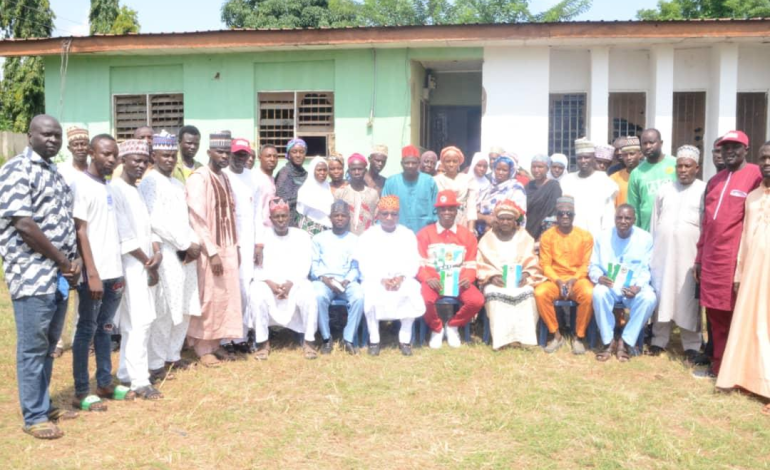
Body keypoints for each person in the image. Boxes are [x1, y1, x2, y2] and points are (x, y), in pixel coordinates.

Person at [0, 115, 81, 439]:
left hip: (59, 277)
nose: (52, 140)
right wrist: (63, 259)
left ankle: (44, 404)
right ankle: (34, 416)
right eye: (46, 134)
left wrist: (71, 264)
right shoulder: (16, 170)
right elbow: (24, 224)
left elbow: (63, 223)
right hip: (32, 275)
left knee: (50, 344)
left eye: (57, 135)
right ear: (30, 135)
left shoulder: (55, 173)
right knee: (33, 346)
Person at [694, 130, 763, 378]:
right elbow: (707, 224)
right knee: (715, 318)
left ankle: (741, 371)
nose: (729, 151)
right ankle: (719, 366)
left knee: (740, 317)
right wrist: (699, 259)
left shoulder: (756, 176)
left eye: (735, 147)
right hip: (712, 261)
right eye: (725, 147)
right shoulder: (715, 181)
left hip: (736, 261)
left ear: (746, 149)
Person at [138, 133, 201, 380]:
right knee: (165, 308)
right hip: (165, 251)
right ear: (154, 156)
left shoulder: (176, 183)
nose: (170, 160)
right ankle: (155, 363)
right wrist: (185, 243)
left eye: (172, 155)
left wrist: (194, 242)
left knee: (185, 306)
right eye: (164, 155)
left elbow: (184, 219)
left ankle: (173, 355)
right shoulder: (149, 182)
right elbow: (156, 220)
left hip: (185, 253)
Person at [70, 134, 124, 412]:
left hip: (114, 271)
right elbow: (81, 231)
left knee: (105, 328)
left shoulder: (108, 185)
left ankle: (104, 382)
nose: (111, 159)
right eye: (105, 154)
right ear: (92, 152)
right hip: (95, 274)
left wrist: (119, 270)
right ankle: (81, 391)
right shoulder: (81, 185)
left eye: (114, 154)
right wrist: (91, 273)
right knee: (86, 330)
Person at [716, 142, 770, 414]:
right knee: (752, 325)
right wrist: (738, 273)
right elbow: (745, 241)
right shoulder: (753, 197)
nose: (767, 162)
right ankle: (751, 379)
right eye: (764, 158)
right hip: (752, 274)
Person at [185, 131, 243, 367]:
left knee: (225, 296)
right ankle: (202, 347)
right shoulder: (199, 177)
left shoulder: (225, 177)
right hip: (211, 249)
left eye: (227, 152)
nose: (225, 156)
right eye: (220, 152)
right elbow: (196, 218)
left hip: (228, 246)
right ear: (209, 152)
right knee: (208, 296)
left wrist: (235, 246)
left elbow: (231, 214)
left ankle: (216, 343)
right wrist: (212, 251)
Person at [111, 139, 163, 400]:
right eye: (136, 161)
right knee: (139, 322)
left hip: (145, 264)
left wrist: (157, 253)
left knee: (139, 322)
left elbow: (148, 227)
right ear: (123, 161)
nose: (141, 166)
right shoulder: (116, 189)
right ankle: (139, 381)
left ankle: (125, 373)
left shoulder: (137, 189)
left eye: (145, 162)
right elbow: (125, 235)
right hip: (131, 266)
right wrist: (147, 261)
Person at [649, 146, 706, 360]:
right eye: (679, 166)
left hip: (690, 257)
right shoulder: (665, 190)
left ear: (697, 168)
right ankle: (658, 340)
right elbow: (655, 223)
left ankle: (691, 344)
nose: (682, 170)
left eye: (687, 166)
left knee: (687, 298)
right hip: (663, 254)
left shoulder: (704, 190)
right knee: (661, 294)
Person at [354, 196, 425, 356]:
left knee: (412, 289)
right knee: (370, 292)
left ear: (398, 216)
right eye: (385, 214)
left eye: (393, 214)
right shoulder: (368, 235)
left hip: (402, 279)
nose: (389, 218)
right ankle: (374, 339)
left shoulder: (407, 234)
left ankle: (405, 339)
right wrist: (382, 279)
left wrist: (401, 277)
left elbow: (414, 261)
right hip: (375, 279)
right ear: (378, 215)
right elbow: (363, 265)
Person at [250, 198, 319, 360]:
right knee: (256, 293)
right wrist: (270, 283)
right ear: (271, 218)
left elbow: (305, 264)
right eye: (277, 217)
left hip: (295, 282)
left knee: (309, 294)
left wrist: (290, 284)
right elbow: (257, 266)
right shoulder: (262, 237)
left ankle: (309, 341)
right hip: (268, 283)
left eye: (284, 216)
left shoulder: (302, 236)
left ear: (290, 217)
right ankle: (262, 343)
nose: (281, 220)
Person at [417, 190, 484, 349]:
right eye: (443, 209)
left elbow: (471, 263)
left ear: (456, 211)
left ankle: (453, 326)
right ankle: (437, 328)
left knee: (477, 301)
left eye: (451, 209)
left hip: (458, 282)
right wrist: (428, 279)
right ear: (438, 211)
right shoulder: (425, 233)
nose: (447, 212)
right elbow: (419, 263)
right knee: (424, 300)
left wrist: (468, 278)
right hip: (434, 282)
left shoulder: (467, 235)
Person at [590, 205, 657, 362]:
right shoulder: (603, 237)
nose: (623, 221)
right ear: (614, 219)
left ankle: (625, 341)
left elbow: (647, 269)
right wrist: (599, 277)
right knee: (598, 293)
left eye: (627, 218)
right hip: (610, 286)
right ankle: (608, 341)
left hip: (632, 288)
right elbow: (593, 265)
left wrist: (637, 286)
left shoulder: (645, 238)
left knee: (649, 298)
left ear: (634, 220)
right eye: (619, 217)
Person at [477, 199, 544, 350]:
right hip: (496, 281)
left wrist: (526, 275)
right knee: (494, 293)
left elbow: (532, 259)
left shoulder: (524, 236)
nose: (505, 222)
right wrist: (492, 277)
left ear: (515, 221)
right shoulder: (488, 237)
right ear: (497, 220)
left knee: (528, 293)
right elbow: (481, 263)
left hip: (520, 281)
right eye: (502, 218)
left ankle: (523, 338)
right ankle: (502, 339)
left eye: (509, 219)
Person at [534, 196, 594, 354]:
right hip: (555, 279)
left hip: (578, 279)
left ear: (574, 215)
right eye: (561, 214)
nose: (565, 216)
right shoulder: (547, 236)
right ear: (556, 216)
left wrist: (574, 279)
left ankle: (579, 337)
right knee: (540, 293)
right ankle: (556, 335)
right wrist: (559, 281)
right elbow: (545, 264)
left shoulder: (585, 236)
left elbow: (586, 264)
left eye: (569, 213)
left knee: (589, 294)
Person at [222, 138, 262, 353]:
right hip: (226, 239)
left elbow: (257, 213)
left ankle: (242, 336)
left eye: (243, 155)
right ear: (229, 154)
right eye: (236, 154)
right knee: (227, 288)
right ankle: (224, 339)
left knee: (245, 289)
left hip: (247, 241)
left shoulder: (253, 179)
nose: (239, 159)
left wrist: (259, 244)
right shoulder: (222, 176)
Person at [311, 200, 364, 355]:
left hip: (346, 281)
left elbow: (355, 267)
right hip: (324, 281)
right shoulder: (318, 238)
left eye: (343, 216)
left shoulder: (355, 240)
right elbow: (314, 266)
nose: (340, 218)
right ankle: (327, 339)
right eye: (336, 215)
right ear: (330, 218)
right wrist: (325, 279)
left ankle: (348, 339)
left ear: (348, 218)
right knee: (318, 296)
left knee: (359, 297)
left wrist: (347, 280)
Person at [560, 138, 618, 238]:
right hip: (571, 237)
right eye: (579, 158)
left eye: (587, 157)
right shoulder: (567, 181)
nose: (583, 161)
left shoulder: (605, 182)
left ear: (594, 158)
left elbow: (608, 218)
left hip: (596, 237)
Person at [381, 145, 439, 234]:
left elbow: (436, 211)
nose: (410, 166)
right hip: (397, 234)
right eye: (407, 163)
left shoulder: (429, 182)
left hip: (424, 234)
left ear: (419, 163)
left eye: (414, 163)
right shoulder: (391, 182)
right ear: (401, 163)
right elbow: (384, 209)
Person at [627, 128, 677, 231]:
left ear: (661, 143)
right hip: (647, 232)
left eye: (651, 142)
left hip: (673, 230)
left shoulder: (676, 164)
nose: (648, 146)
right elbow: (634, 208)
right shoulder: (636, 173)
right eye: (644, 143)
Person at [476, 155, 527, 235]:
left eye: (504, 170)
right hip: (482, 235)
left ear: (511, 171)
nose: (500, 172)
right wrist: (486, 218)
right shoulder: (487, 188)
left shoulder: (516, 188)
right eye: (498, 169)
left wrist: (497, 223)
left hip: (506, 235)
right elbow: (473, 212)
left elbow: (520, 216)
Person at [335, 153, 379, 235]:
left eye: (360, 169)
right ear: (349, 171)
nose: (357, 172)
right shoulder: (340, 193)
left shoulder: (373, 194)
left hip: (367, 240)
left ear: (365, 171)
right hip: (345, 239)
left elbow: (376, 220)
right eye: (353, 169)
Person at [433, 146, 478, 229]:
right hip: (442, 220)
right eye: (448, 161)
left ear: (459, 163)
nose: (451, 164)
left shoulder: (468, 179)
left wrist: (471, 229)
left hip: (463, 220)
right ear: (442, 163)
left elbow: (471, 206)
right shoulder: (436, 180)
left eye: (454, 161)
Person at [525, 154, 562, 240]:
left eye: (540, 167)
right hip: (527, 231)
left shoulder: (553, 186)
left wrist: (544, 235)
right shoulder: (528, 186)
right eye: (533, 167)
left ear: (547, 169)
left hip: (544, 233)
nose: (536, 170)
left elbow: (554, 212)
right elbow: (522, 209)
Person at [296, 156, 334, 235]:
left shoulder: (327, 187)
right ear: (312, 171)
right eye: (319, 170)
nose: (322, 173)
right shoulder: (305, 190)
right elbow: (301, 215)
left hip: (329, 230)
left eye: (325, 170)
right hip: (311, 229)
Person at [275, 138, 308, 226]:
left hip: (304, 223)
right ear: (288, 154)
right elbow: (282, 202)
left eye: (301, 152)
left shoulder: (306, 175)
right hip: (289, 224)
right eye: (294, 152)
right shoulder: (284, 173)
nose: (298, 155)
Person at [253, 144, 278, 246]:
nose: (272, 159)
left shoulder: (271, 178)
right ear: (260, 158)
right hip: (259, 232)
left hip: (270, 230)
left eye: (275, 156)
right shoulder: (255, 178)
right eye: (268, 156)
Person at [611, 137, 643, 207]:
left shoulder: (647, 174)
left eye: (632, 154)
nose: (628, 157)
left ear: (640, 154)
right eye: (625, 155)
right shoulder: (614, 178)